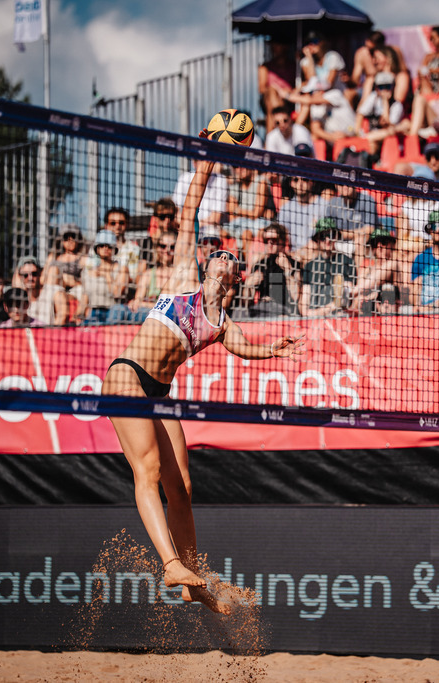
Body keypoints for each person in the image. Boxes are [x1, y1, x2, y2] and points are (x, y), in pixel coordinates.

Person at [102, 154, 304, 613]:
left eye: (228, 257)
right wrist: (210, 162)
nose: (219, 255)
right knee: (148, 472)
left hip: (159, 393)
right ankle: (171, 564)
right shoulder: (179, 280)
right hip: (127, 376)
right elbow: (190, 207)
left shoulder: (220, 323)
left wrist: (273, 350)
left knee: (183, 487)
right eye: (216, 254)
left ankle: (193, 578)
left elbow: (246, 348)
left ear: (235, 278)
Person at [239, 223, 303, 318]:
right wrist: (248, 286)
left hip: (284, 310)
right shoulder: (260, 264)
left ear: (282, 241)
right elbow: (247, 302)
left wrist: (288, 271)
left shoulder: (293, 263)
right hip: (261, 309)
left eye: (273, 240)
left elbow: (296, 296)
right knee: (238, 313)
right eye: (266, 240)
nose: (269, 243)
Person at [299, 217, 357, 317]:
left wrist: (318, 312)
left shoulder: (347, 262)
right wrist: (316, 313)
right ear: (317, 239)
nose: (327, 240)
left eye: (331, 235)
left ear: (336, 237)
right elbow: (304, 305)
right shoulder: (310, 266)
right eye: (322, 236)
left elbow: (344, 300)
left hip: (338, 318)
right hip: (315, 320)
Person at [79, 230, 130, 324]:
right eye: (102, 245)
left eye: (109, 246)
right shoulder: (88, 272)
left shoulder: (122, 269)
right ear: (97, 249)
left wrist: (107, 274)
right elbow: (85, 296)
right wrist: (79, 314)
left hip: (114, 311)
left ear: (114, 249)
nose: (105, 248)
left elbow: (117, 293)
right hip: (95, 312)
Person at [16, 256, 70, 326]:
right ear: (20, 277)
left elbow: (63, 315)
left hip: (49, 334)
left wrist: (51, 332)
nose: (30, 278)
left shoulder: (54, 291)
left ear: (40, 273)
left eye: (34, 274)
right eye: (25, 275)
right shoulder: (18, 297)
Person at [258, 39, 296, 132]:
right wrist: (277, 90)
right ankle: (280, 127)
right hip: (270, 98)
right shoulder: (265, 67)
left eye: (277, 44)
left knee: (273, 100)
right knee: (272, 94)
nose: (273, 47)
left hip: (288, 99)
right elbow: (262, 89)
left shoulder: (294, 66)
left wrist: (287, 92)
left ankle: (271, 134)